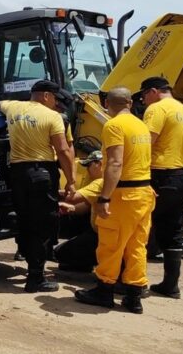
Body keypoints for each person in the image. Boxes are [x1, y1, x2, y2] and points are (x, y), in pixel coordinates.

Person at [75, 87, 155, 314]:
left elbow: (115, 163)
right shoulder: (140, 125)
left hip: (124, 195)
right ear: (130, 103)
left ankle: (104, 290)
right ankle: (133, 296)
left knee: (111, 244)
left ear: (107, 103)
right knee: (136, 246)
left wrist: (104, 197)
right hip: (143, 193)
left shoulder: (114, 126)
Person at [0, 80, 76, 292]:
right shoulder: (52, 117)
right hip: (42, 174)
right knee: (43, 225)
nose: (55, 103)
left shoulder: (13, 107)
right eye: (55, 99)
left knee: (25, 219)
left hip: (17, 173)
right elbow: (63, 151)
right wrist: (71, 181)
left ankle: (25, 255)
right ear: (47, 96)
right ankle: (36, 278)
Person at [140, 76, 183, 298]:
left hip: (159, 176)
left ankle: (132, 282)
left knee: (139, 224)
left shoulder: (157, 109)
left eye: (144, 95)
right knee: (172, 228)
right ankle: (170, 285)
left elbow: (145, 142)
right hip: (182, 176)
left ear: (154, 91)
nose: (144, 101)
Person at [55, 151, 104, 272]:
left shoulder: (100, 182)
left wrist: (52, 193)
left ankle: (93, 261)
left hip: (102, 236)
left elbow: (72, 198)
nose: (87, 170)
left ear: (99, 164)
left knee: (60, 253)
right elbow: (86, 205)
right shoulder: (107, 181)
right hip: (101, 232)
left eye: (89, 165)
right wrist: (72, 209)